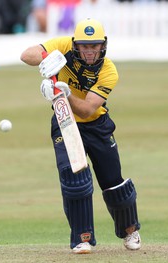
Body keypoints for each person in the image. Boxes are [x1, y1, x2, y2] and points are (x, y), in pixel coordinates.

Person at [20, 18, 141, 254]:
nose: (89, 51)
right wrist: (46, 59)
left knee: (113, 183)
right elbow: (27, 55)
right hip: (65, 122)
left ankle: (130, 230)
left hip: (97, 125)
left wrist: (62, 93)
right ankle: (82, 238)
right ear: (76, 45)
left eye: (94, 46)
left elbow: (87, 109)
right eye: (84, 46)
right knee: (75, 180)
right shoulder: (63, 45)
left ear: (102, 46)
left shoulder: (109, 71)